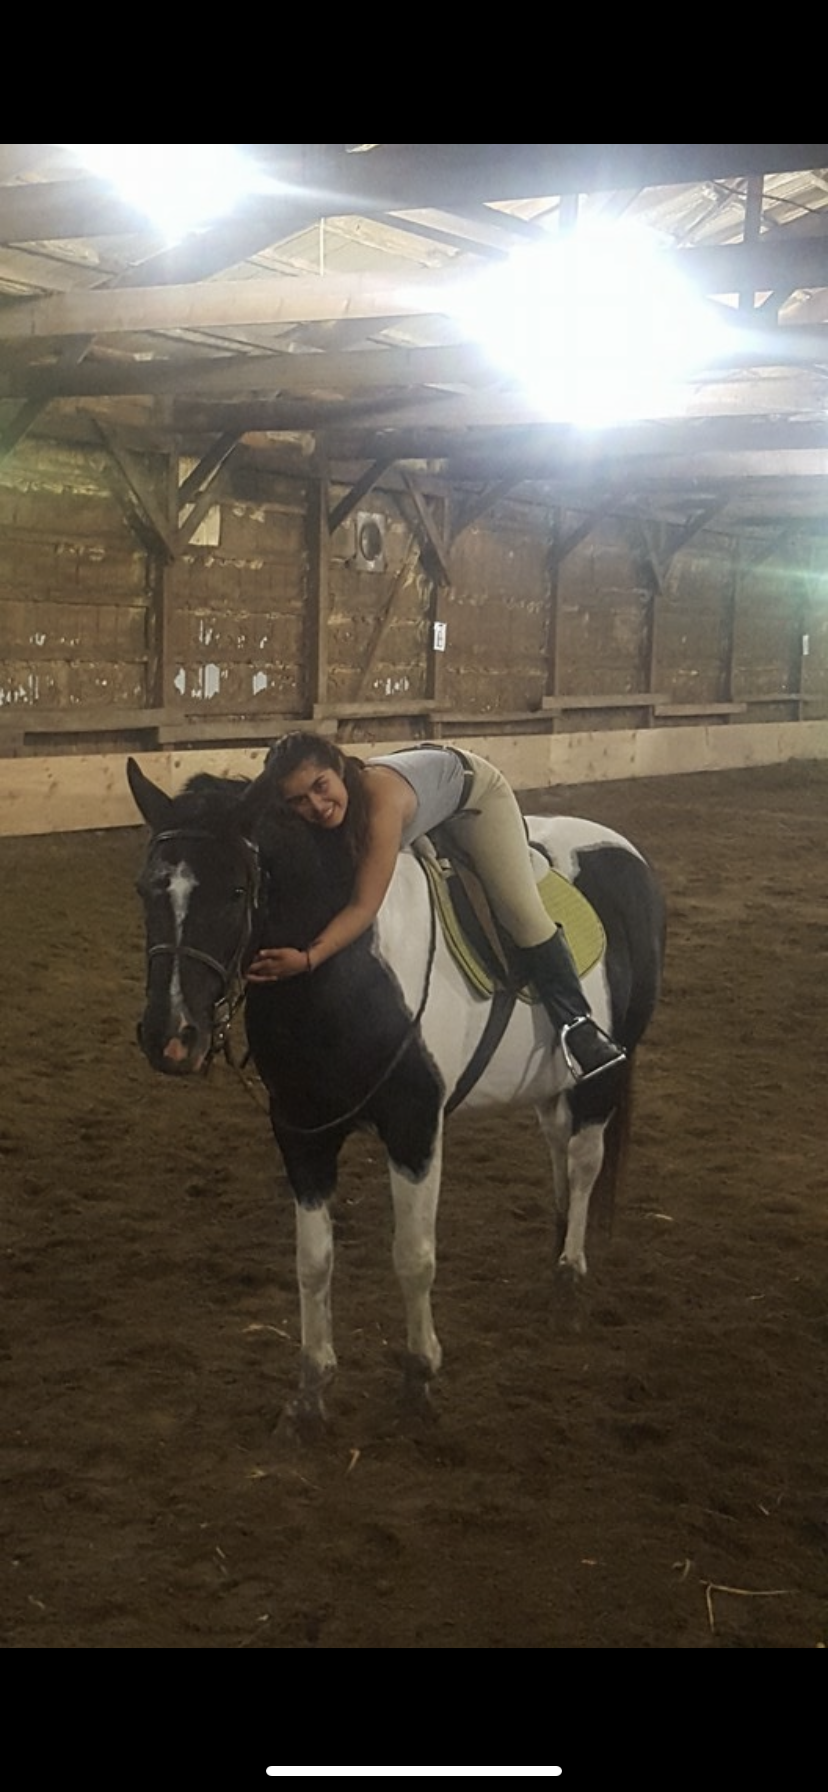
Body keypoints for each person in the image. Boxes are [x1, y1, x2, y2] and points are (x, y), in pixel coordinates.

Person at [246, 732, 625, 1082]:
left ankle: (578, 1026)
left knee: (520, 913)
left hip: (475, 801)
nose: (316, 806)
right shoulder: (333, 801)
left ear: (338, 768)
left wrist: (309, 959)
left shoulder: (380, 803)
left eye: (320, 786)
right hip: (426, 779)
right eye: (299, 800)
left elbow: (363, 907)